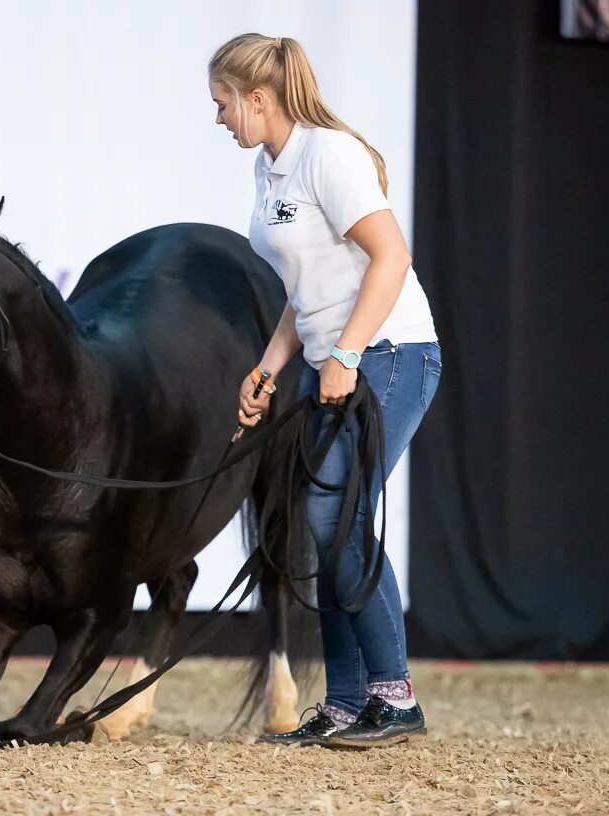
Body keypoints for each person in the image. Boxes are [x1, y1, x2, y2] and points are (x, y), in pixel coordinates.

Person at [208, 33, 442, 749]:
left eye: (222, 104)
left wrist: (344, 352)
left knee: (335, 520)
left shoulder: (326, 155)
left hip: (392, 352)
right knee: (318, 526)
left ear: (258, 99)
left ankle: (394, 698)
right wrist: (269, 368)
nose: (218, 118)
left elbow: (392, 256)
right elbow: (302, 290)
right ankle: (346, 704)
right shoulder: (268, 168)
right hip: (330, 360)